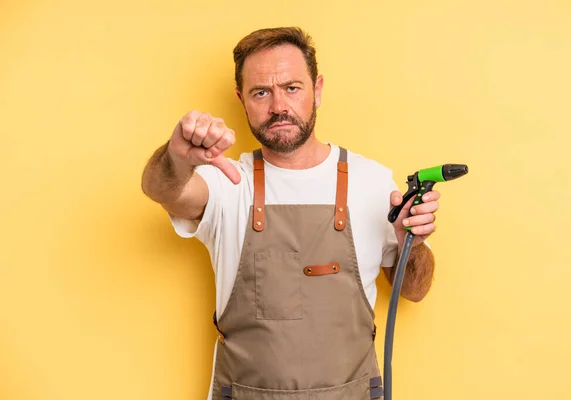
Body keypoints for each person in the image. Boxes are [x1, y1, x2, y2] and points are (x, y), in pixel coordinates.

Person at [141, 26, 440, 400]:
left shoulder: (374, 182)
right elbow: (162, 188)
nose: (278, 105)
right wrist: (176, 155)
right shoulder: (228, 182)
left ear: (317, 90)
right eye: (261, 92)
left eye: (292, 88)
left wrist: (410, 241)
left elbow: (414, 291)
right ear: (241, 99)